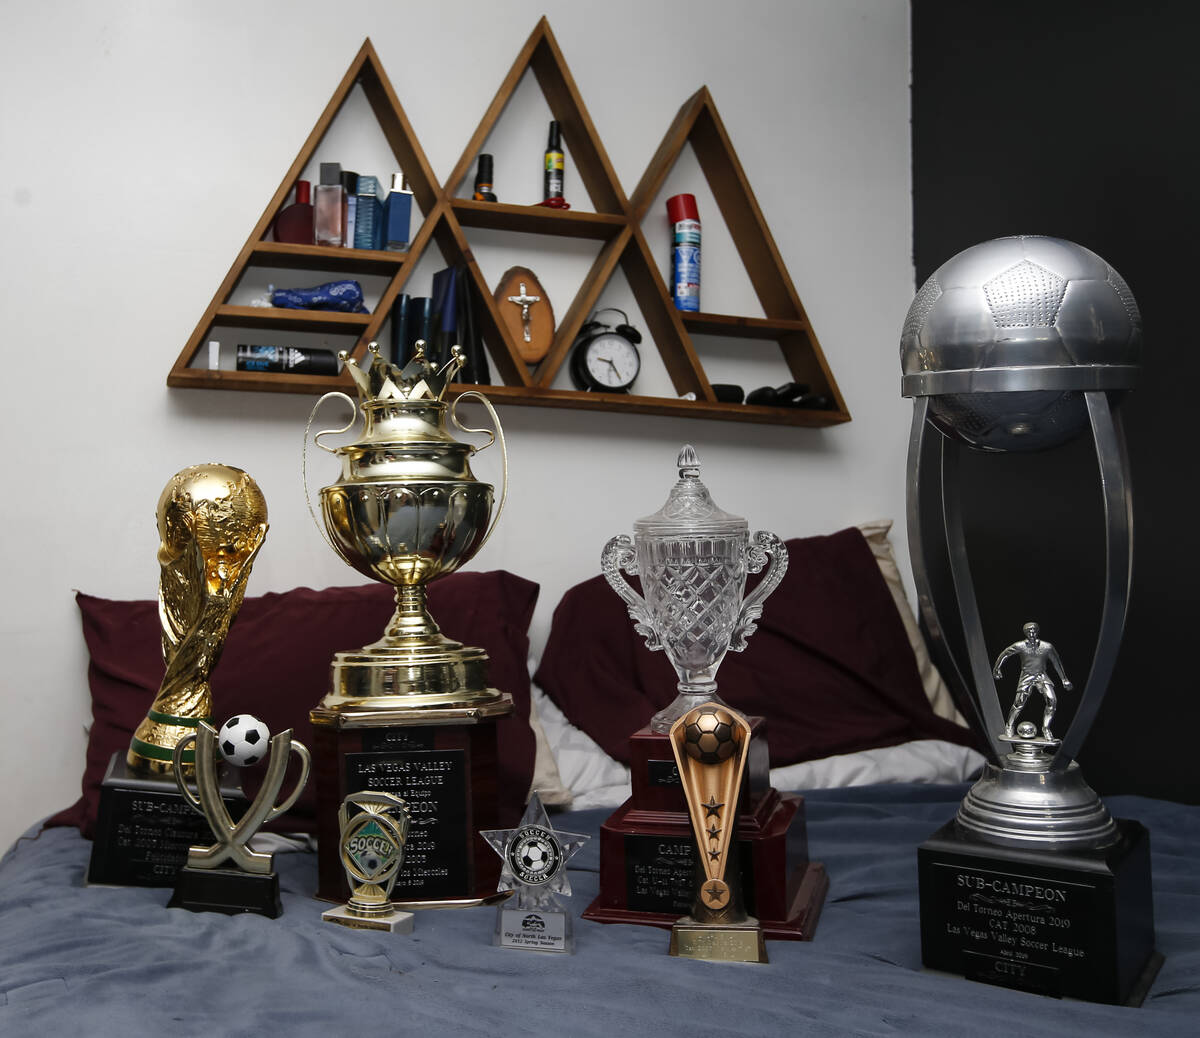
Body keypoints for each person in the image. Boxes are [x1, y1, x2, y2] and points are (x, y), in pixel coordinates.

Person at [993, 621, 1073, 740]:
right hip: (1027, 676)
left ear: (1037, 631)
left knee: (1052, 700)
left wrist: (1064, 679)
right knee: (1019, 703)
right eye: (1029, 630)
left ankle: (1046, 728)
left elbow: (1056, 662)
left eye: (1034, 630)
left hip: (1041, 675)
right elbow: (1005, 654)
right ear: (1025, 633)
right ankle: (1009, 725)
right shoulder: (1020, 645)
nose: (1031, 632)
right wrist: (997, 668)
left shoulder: (1047, 647)